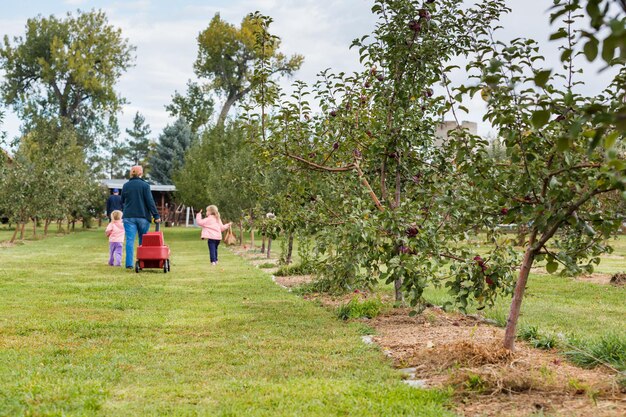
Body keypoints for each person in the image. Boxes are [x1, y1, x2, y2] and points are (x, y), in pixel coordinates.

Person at [121, 165, 161, 269]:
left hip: (129, 216)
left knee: (130, 240)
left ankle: (129, 264)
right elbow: (150, 201)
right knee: (143, 240)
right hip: (143, 216)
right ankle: (142, 261)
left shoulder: (126, 185)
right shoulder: (145, 185)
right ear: (141, 173)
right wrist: (156, 215)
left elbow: (122, 201)